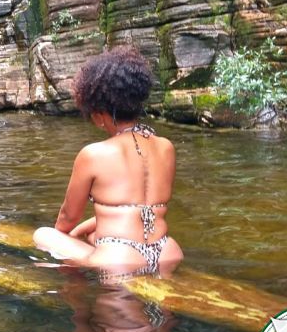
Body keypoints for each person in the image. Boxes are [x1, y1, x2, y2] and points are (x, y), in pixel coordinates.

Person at [33, 46, 183, 277]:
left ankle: (76, 296)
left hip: (119, 259)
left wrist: (64, 236)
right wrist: (84, 231)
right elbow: (137, 209)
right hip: (166, 251)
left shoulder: (93, 154)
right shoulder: (166, 147)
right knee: (95, 235)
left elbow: (67, 217)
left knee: (42, 235)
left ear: (99, 114)